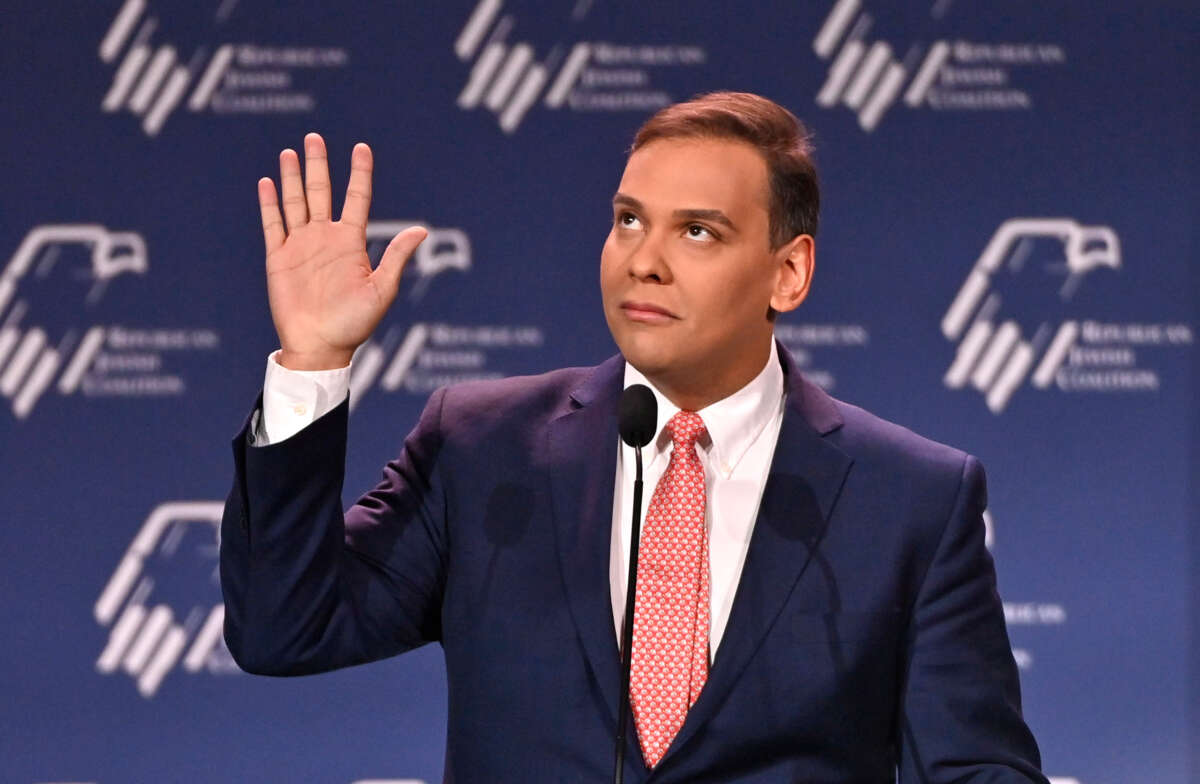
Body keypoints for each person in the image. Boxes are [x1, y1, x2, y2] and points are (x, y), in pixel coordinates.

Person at [220, 91, 1048, 783]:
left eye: (698, 232)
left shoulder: (911, 500)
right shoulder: (482, 450)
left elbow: (975, 769)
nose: (642, 261)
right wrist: (315, 359)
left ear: (787, 272)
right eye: (627, 221)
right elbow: (283, 629)